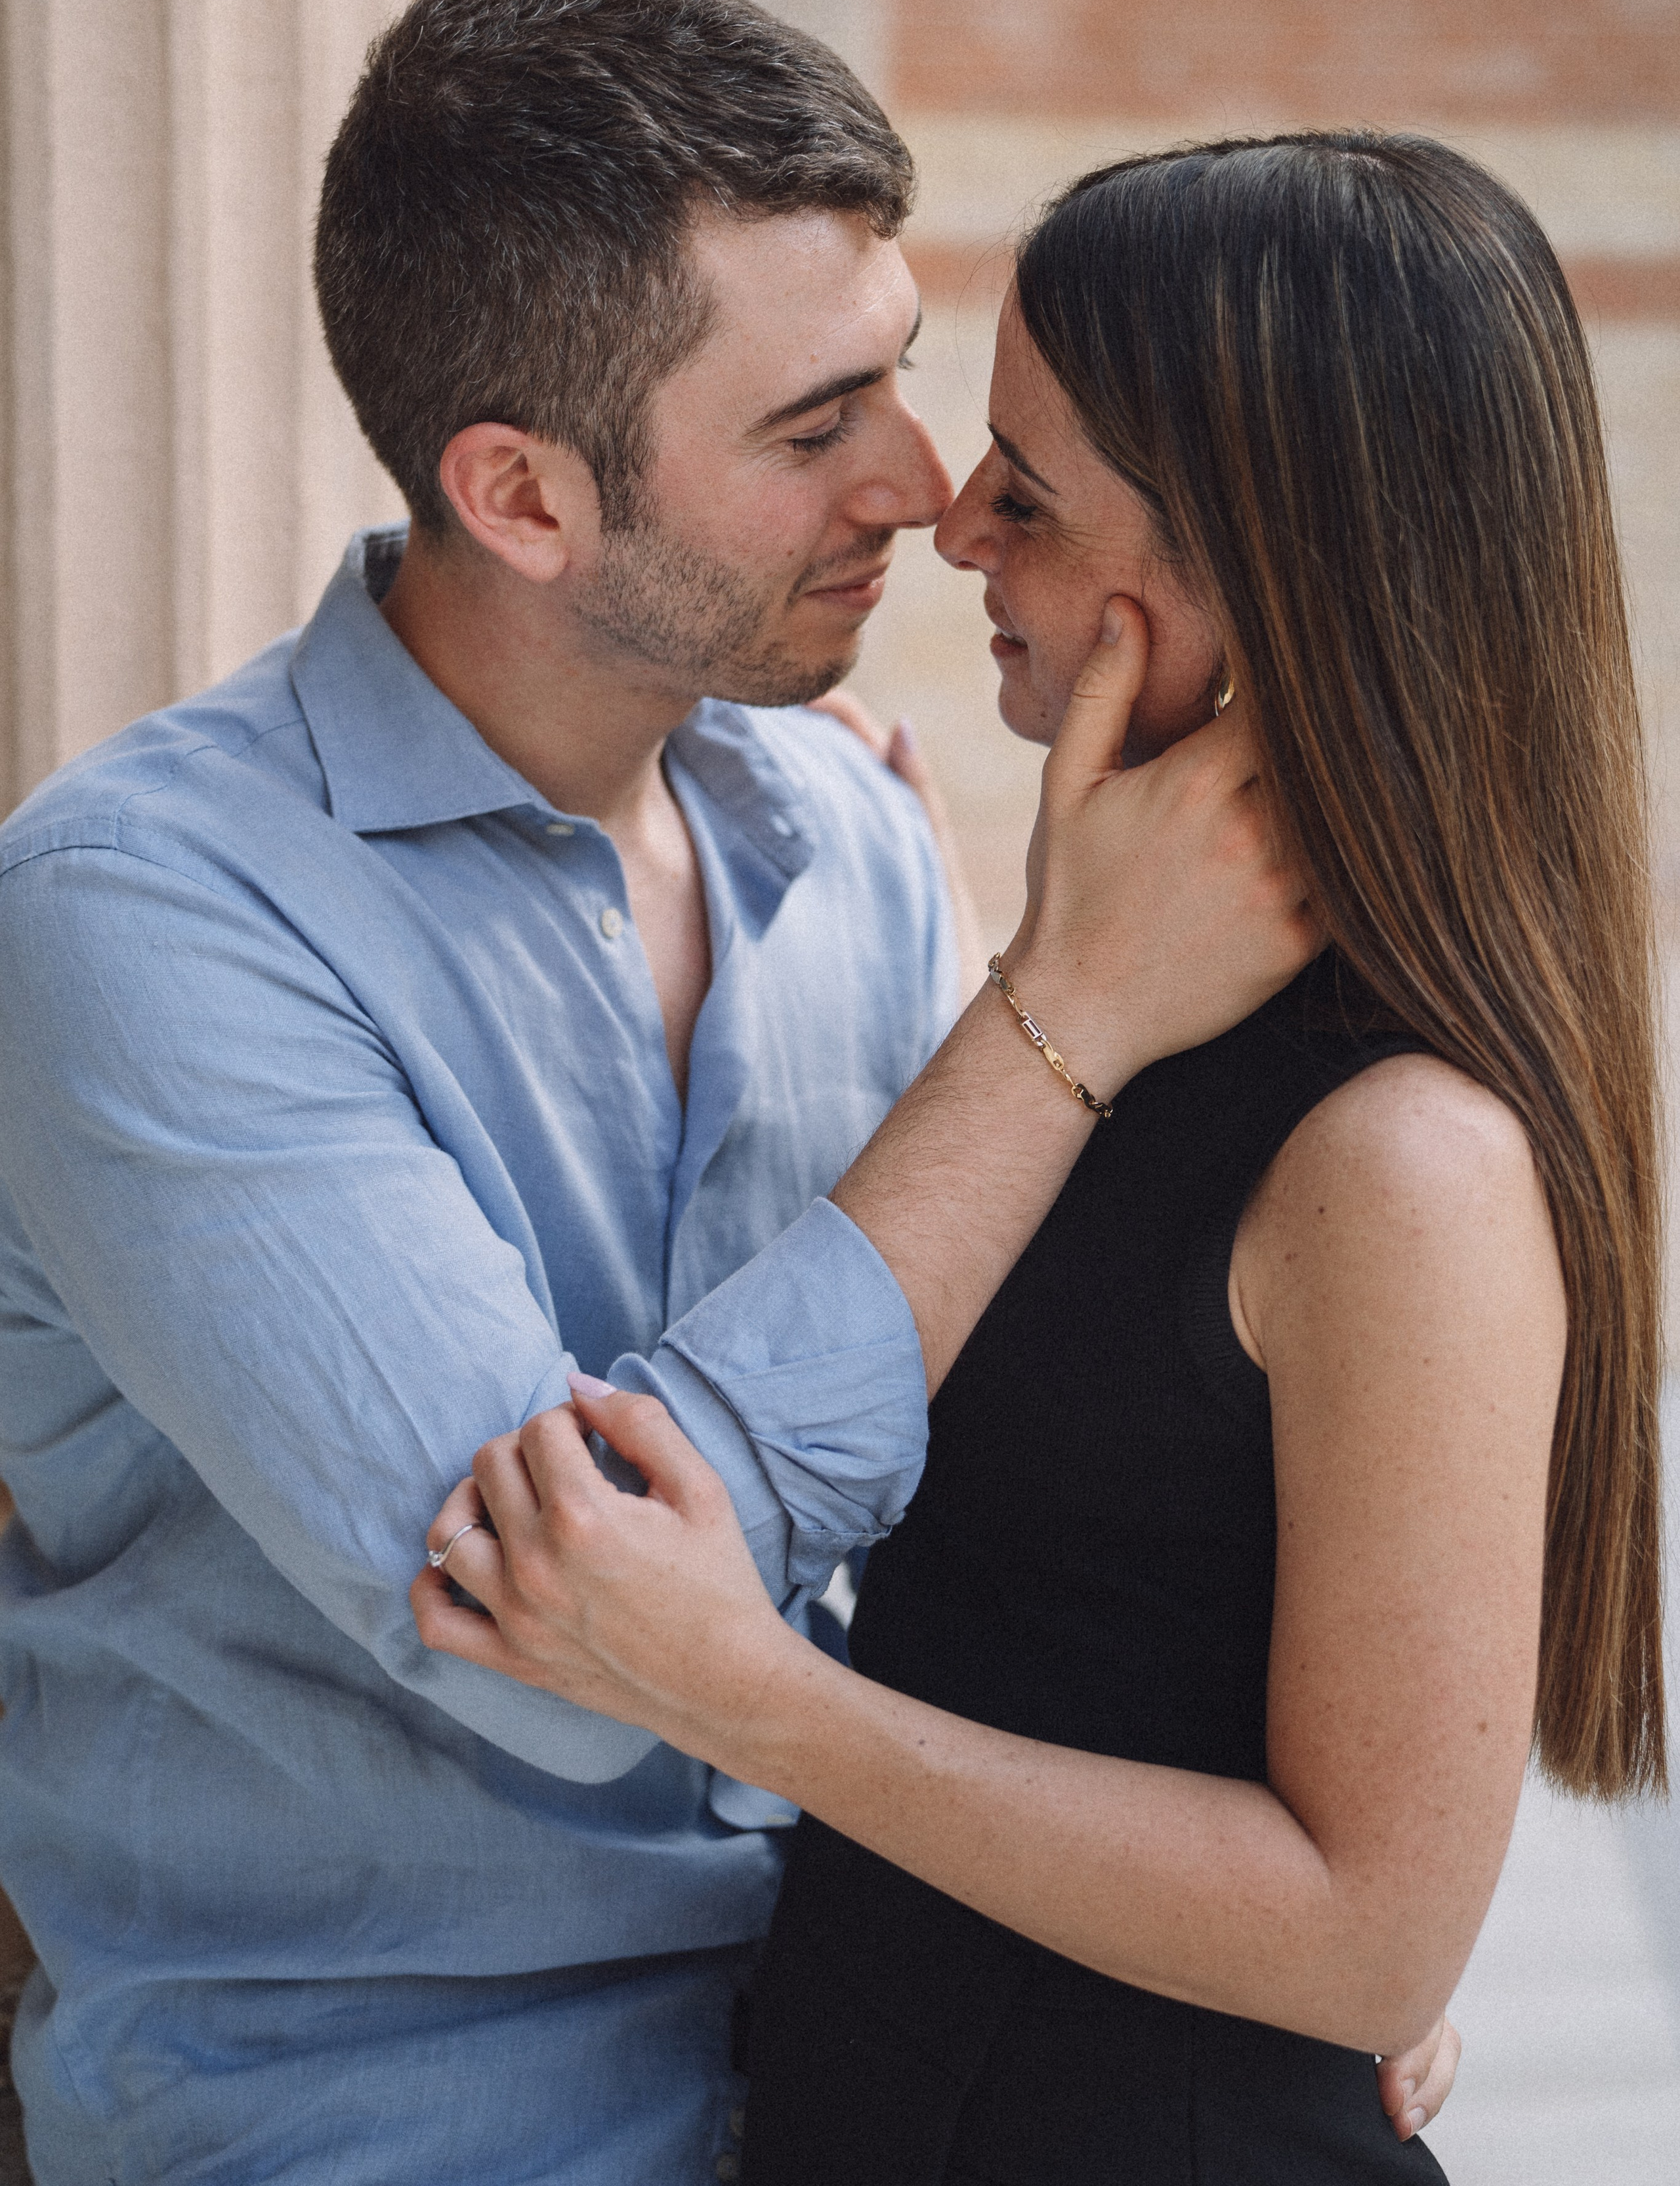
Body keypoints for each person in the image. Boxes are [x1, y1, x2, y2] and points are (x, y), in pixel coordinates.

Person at [0, 0, 1352, 2186]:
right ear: (523, 497)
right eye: (814, 430)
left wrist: (1294, 1939)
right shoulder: (140, 922)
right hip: (394, 2123)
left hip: (904, 2026)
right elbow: (552, 1629)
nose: (925, 489)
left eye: (897, 383)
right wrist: (1067, 1019)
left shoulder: (841, 833)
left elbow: (1022, 1481)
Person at [415, 131, 1666, 2181]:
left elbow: (1369, 1937)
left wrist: (753, 1700)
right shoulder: (1121, 1006)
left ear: (1267, 567)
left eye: (1035, 488)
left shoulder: (1404, 1156)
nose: (957, 525)